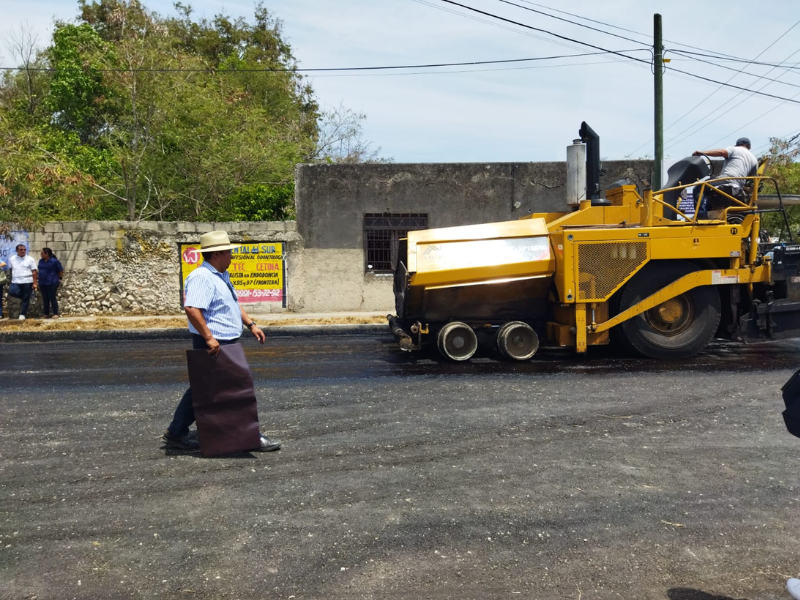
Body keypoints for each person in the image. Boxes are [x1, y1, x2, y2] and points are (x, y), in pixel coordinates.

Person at [163, 230, 282, 452]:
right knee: (236, 388)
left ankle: (176, 433)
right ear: (217, 254)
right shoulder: (202, 277)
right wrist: (209, 338)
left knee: (203, 389)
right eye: (228, 252)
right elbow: (191, 308)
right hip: (215, 344)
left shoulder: (220, 276)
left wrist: (251, 324)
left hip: (225, 341)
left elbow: (234, 303)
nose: (231, 256)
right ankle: (250, 436)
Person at [692, 137, 758, 217]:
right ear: (749, 147)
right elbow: (752, 178)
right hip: (738, 189)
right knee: (709, 193)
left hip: (727, 180)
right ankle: (708, 217)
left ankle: (700, 217)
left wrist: (701, 153)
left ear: (736, 145)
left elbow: (722, 152)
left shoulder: (735, 149)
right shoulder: (754, 160)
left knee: (699, 188)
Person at [8, 244, 38, 320]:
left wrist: (35, 283)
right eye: (21, 250)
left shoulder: (30, 259)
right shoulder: (12, 259)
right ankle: (27, 296)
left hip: (27, 281)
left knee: (25, 299)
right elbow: (11, 269)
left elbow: (34, 271)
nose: (23, 251)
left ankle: (23, 314)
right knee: (12, 292)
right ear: (17, 251)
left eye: (24, 249)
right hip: (16, 281)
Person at [38, 248, 64, 319]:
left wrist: (59, 279)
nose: (40, 254)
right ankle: (46, 313)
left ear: (46, 254)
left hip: (52, 282)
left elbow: (60, 271)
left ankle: (55, 313)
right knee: (45, 299)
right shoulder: (41, 261)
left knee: (52, 298)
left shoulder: (54, 261)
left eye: (42, 253)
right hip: (42, 283)